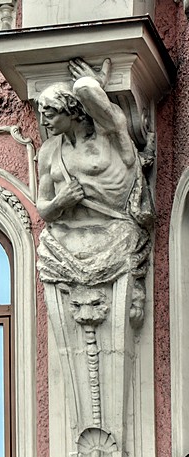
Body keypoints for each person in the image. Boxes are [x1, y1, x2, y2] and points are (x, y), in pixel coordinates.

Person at [35, 58, 153, 326]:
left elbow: (90, 93)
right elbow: (42, 208)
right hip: (65, 239)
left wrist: (93, 87)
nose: (44, 121)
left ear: (72, 111)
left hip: (116, 230)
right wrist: (60, 202)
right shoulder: (49, 151)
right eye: (42, 113)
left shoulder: (108, 134)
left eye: (50, 113)